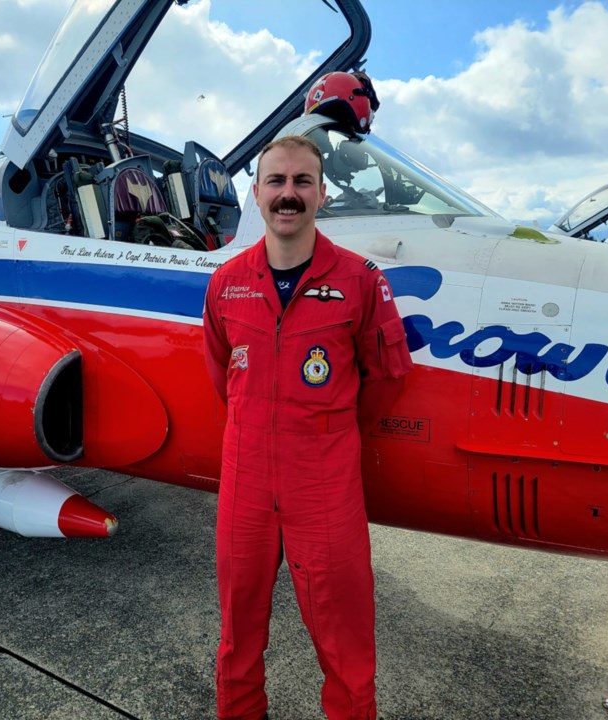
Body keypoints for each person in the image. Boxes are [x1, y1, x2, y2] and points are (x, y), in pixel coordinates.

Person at [202, 134, 413, 720]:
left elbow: (386, 378)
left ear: (322, 194)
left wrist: (324, 430)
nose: (288, 194)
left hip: (323, 483)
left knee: (346, 645)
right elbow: (222, 371)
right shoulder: (226, 283)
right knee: (237, 637)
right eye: (276, 182)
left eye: (301, 182)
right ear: (257, 194)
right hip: (244, 478)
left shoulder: (360, 281)